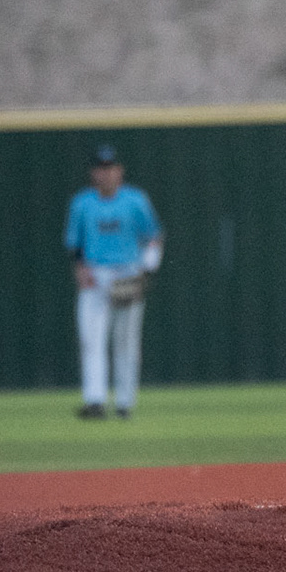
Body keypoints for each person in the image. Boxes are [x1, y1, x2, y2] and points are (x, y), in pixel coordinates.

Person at [64, 144, 163, 420]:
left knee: (126, 341)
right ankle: (95, 400)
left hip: (127, 274)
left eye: (110, 168)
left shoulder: (135, 201)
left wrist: (147, 269)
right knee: (91, 340)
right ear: (93, 173)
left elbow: (153, 236)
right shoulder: (82, 203)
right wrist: (80, 268)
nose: (105, 174)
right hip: (95, 276)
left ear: (120, 171)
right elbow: (74, 243)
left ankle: (124, 402)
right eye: (100, 168)